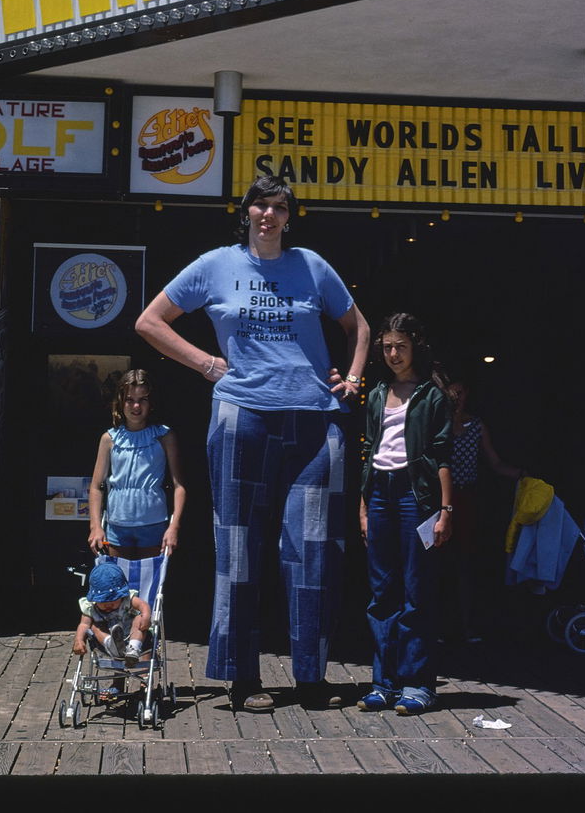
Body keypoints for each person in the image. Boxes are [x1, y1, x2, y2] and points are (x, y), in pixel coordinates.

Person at [135, 175, 370, 714]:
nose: (269, 214)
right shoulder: (216, 264)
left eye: (279, 207)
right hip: (242, 418)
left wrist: (353, 380)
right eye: (259, 205)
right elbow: (149, 321)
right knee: (240, 546)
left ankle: (310, 678)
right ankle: (243, 679)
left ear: (291, 216)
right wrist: (207, 363)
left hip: (315, 420)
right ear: (245, 213)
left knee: (313, 551)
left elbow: (358, 326)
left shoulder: (312, 266)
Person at [357, 313, 453, 715]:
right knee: (382, 593)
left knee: (416, 591)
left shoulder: (432, 395)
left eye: (401, 346)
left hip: (417, 496)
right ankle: (384, 684)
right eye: (387, 346)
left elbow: (442, 454)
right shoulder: (378, 392)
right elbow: (367, 451)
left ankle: (418, 684)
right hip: (379, 492)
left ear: (416, 346)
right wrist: (362, 505)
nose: (393, 354)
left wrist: (446, 509)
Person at [442, 378, 523, 642]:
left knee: (464, 564)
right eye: (452, 393)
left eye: (461, 392)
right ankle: (437, 627)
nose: (457, 398)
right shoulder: (437, 423)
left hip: (466, 499)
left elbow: (495, 462)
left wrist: (524, 475)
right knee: (438, 563)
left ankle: (466, 627)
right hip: (440, 499)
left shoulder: (476, 426)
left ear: (467, 394)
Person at [87, 368, 186, 560]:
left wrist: (174, 527)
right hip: (117, 525)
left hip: (153, 524)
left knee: (149, 584)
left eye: (143, 400)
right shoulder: (109, 438)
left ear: (151, 403)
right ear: (120, 402)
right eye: (130, 400)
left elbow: (179, 486)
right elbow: (96, 487)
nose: (136, 406)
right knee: (119, 585)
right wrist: (96, 526)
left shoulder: (164, 436)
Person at [72, 562, 152, 690]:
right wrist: (79, 640)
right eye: (103, 601)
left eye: (113, 600)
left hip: (134, 638)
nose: (108, 605)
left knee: (138, 617)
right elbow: (83, 624)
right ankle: (112, 644)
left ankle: (133, 648)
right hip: (107, 644)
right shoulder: (91, 607)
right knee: (93, 626)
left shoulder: (127, 599)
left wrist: (146, 616)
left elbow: (143, 605)